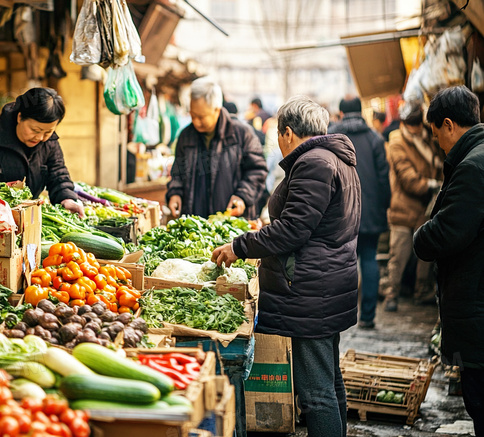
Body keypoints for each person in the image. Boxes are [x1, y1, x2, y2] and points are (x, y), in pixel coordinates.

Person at [212, 96, 360, 437]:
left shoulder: (314, 164)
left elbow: (293, 229)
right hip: (327, 282)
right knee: (328, 379)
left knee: (316, 392)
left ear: (288, 133)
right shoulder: (337, 160)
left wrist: (240, 246)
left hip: (311, 289)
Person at [414, 85, 484, 435]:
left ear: (449, 124)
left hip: (477, 304)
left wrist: (420, 236)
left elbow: (444, 233)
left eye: (435, 133)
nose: (437, 141)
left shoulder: (473, 167)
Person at [0, 87, 83, 216]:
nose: (40, 137)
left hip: (29, 217)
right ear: (20, 117)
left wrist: (66, 198)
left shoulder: (50, 143)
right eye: (35, 130)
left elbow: (58, 175)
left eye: (48, 132)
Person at [329, 96, 390, 329]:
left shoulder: (332, 135)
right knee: (369, 258)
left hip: (341, 211)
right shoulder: (374, 138)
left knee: (343, 261)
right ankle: (367, 316)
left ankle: (341, 315)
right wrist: (384, 205)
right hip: (370, 209)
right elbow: (384, 177)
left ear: (342, 112)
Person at [166, 78, 267, 219]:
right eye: (193, 115)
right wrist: (175, 193)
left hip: (231, 225)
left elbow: (257, 170)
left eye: (201, 117)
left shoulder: (242, 134)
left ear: (217, 110)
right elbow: (178, 172)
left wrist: (242, 195)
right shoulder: (186, 136)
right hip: (195, 227)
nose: (196, 121)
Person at [382, 102, 444, 312]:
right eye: (413, 123)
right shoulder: (397, 142)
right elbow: (407, 178)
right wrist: (431, 184)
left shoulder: (427, 136)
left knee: (424, 256)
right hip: (404, 207)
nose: (416, 127)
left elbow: (438, 160)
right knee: (399, 255)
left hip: (426, 207)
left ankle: (422, 291)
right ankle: (392, 293)